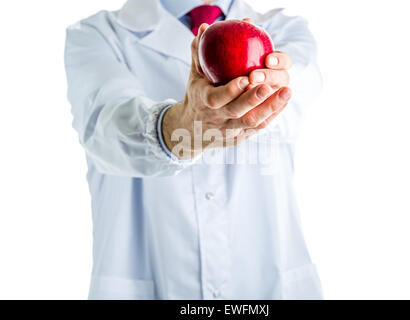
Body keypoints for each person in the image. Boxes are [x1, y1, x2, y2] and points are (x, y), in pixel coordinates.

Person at [65, 0, 323, 300]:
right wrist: (185, 125)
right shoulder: (97, 35)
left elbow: (293, 106)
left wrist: (265, 91)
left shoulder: (285, 32)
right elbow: (104, 130)